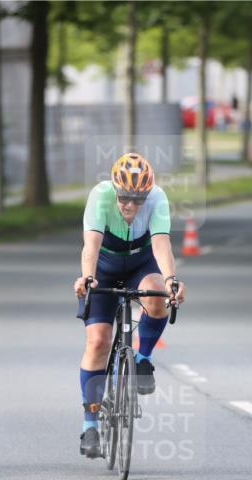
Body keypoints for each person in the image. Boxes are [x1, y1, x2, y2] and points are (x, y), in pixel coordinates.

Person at [72, 153, 187, 459]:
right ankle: (91, 424)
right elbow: (91, 244)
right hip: (105, 267)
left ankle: (143, 358)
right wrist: (87, 277)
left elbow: (162, 244)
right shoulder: (100, 196)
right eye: (125, 198)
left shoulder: (158, 198)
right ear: (115, 189)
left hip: (140, 262)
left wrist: (172, 280)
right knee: (97, 341)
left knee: (157, 294)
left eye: (138, 200)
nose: (130, 206)